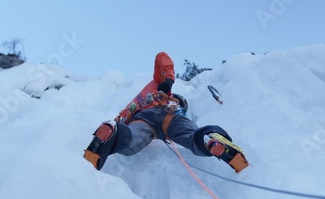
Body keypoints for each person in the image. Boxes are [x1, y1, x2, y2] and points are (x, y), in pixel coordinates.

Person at [84, 52, 248, 173]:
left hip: (142, 120)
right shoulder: (162, 89)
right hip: (171, 117)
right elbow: (163, 57)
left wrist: (115, 130)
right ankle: (210, 139)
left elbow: (121, 121)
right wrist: (167, 81)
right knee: (192, 138)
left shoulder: (131, 106)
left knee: (130, 141)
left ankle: (113, 135)